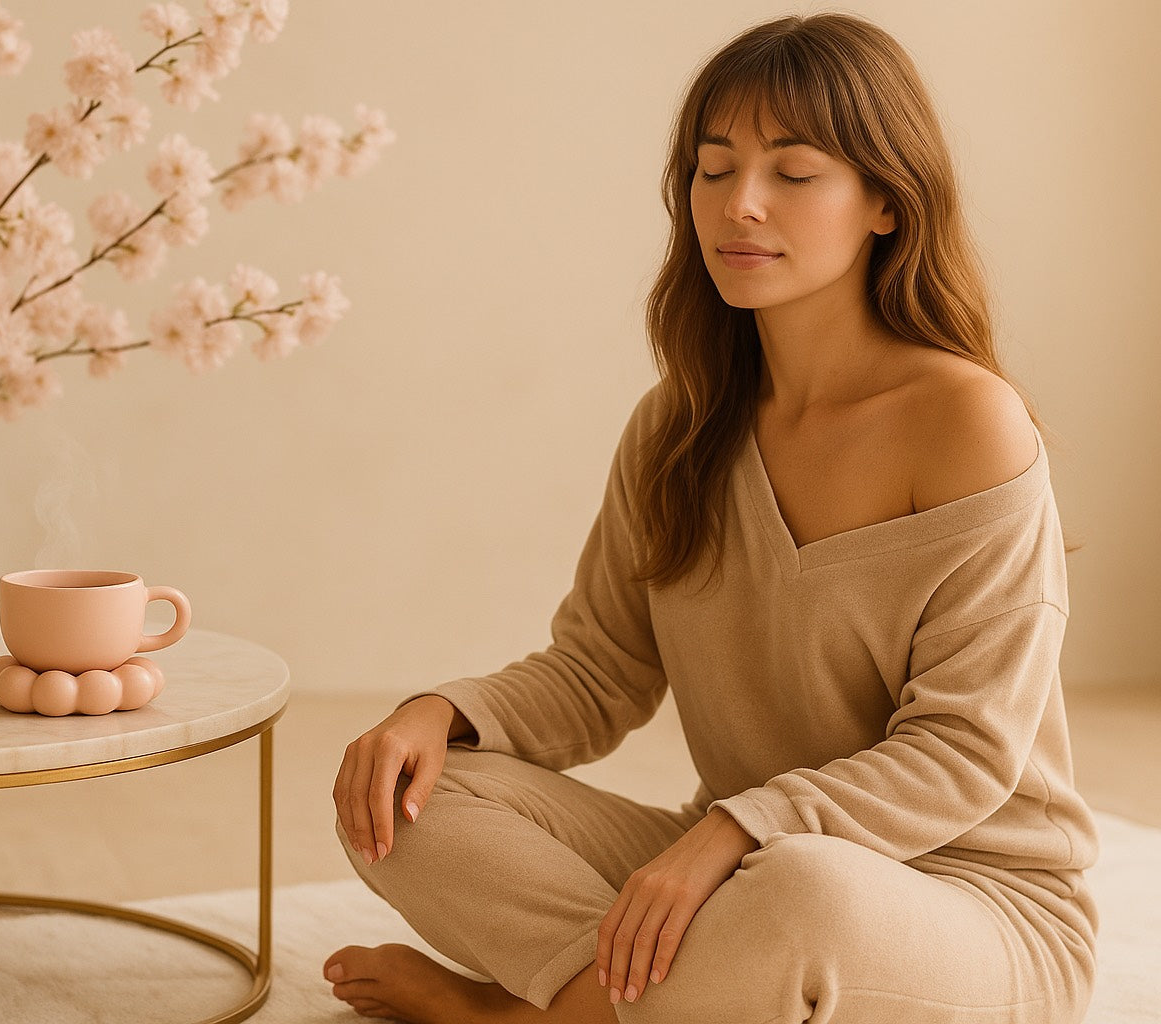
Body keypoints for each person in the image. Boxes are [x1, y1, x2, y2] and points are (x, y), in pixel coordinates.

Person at [324, 11, 1097, 1024]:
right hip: (741, 862)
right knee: (404, 797)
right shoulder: (677, 428)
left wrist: (741, 830)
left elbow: (963, 750)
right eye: (714, 168)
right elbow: (598, 673)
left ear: (887, 202)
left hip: (967, 905)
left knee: (803, 891)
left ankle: (524, 1015)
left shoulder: (966, 422)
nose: (741, 204)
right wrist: (439, 713)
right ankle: (651, 996)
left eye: (794, 172)